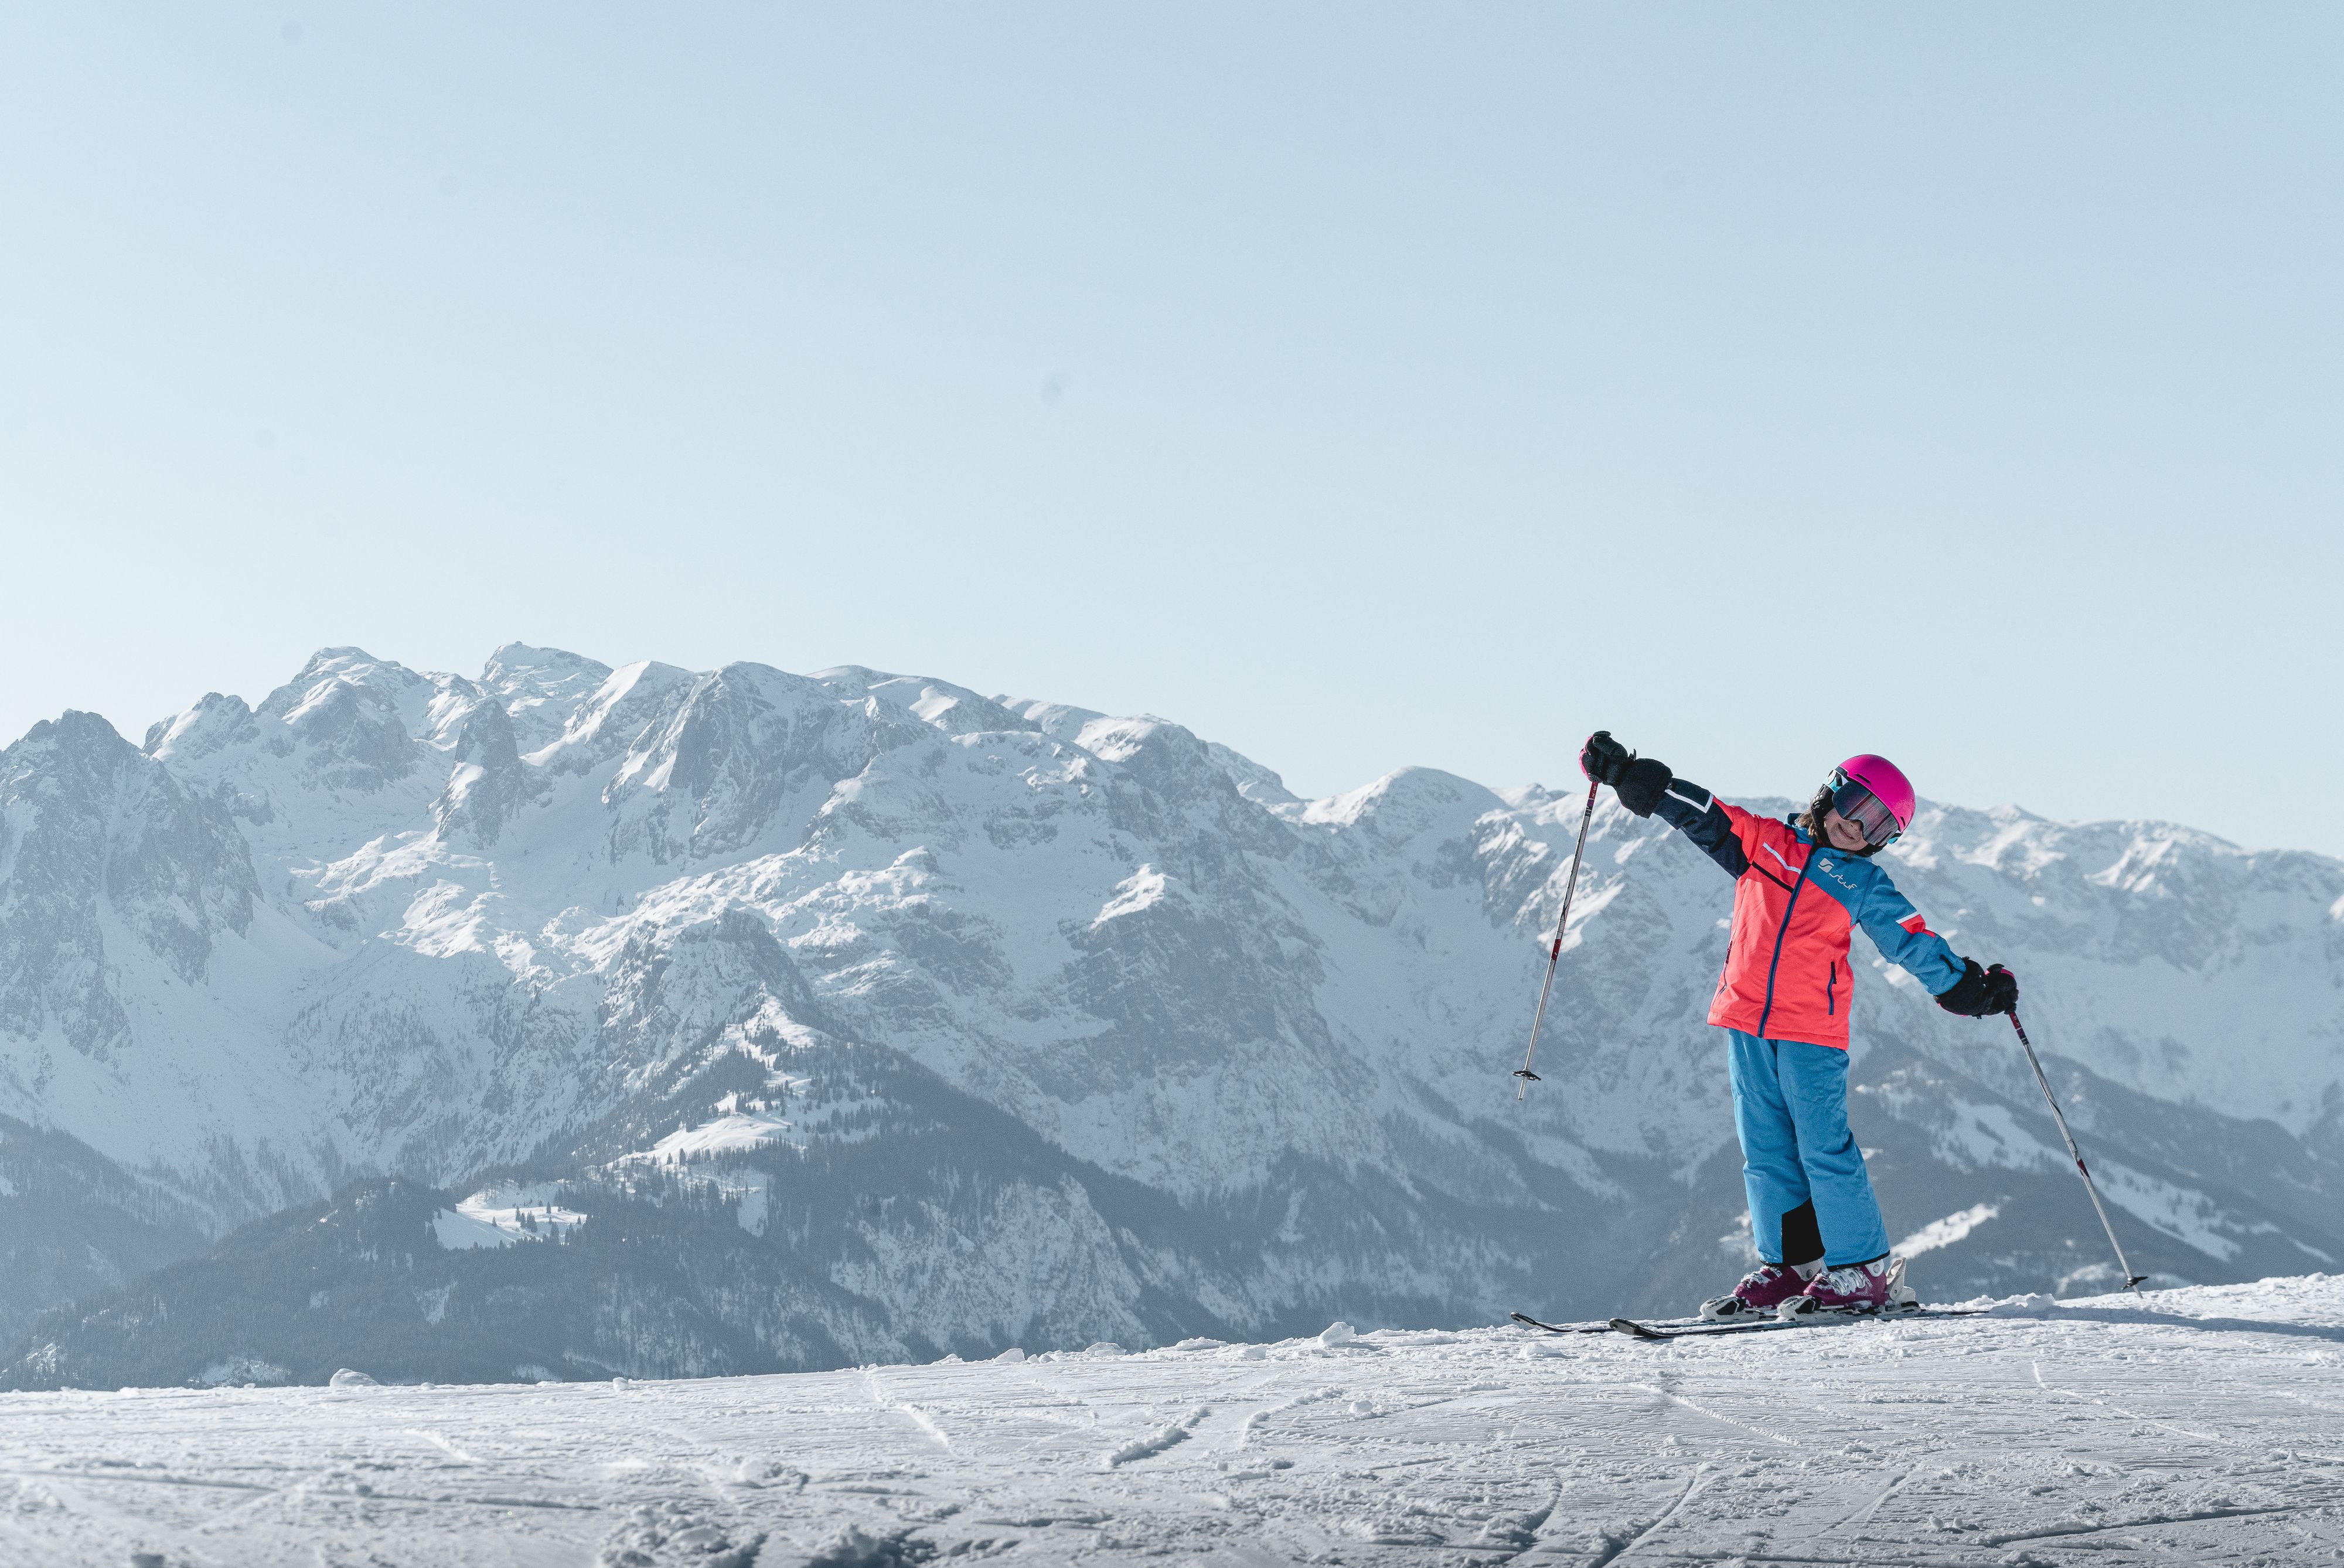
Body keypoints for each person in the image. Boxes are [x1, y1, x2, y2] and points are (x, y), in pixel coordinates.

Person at [1579, 732, 2018, 1318]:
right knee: (1764, 1151)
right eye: (1856, 807)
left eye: (1878, 827)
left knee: (1823, 1148)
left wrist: (1971, 989)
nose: (1856, 829)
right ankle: (1792, 1265)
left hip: (1811, 1031)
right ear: (1830, 793)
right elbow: (1706, 815)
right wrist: (1637, 780)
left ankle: (1863, 1271)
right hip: (1745, 1021)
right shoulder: (1765, 843)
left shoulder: (1862, 883)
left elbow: (1911, 941)